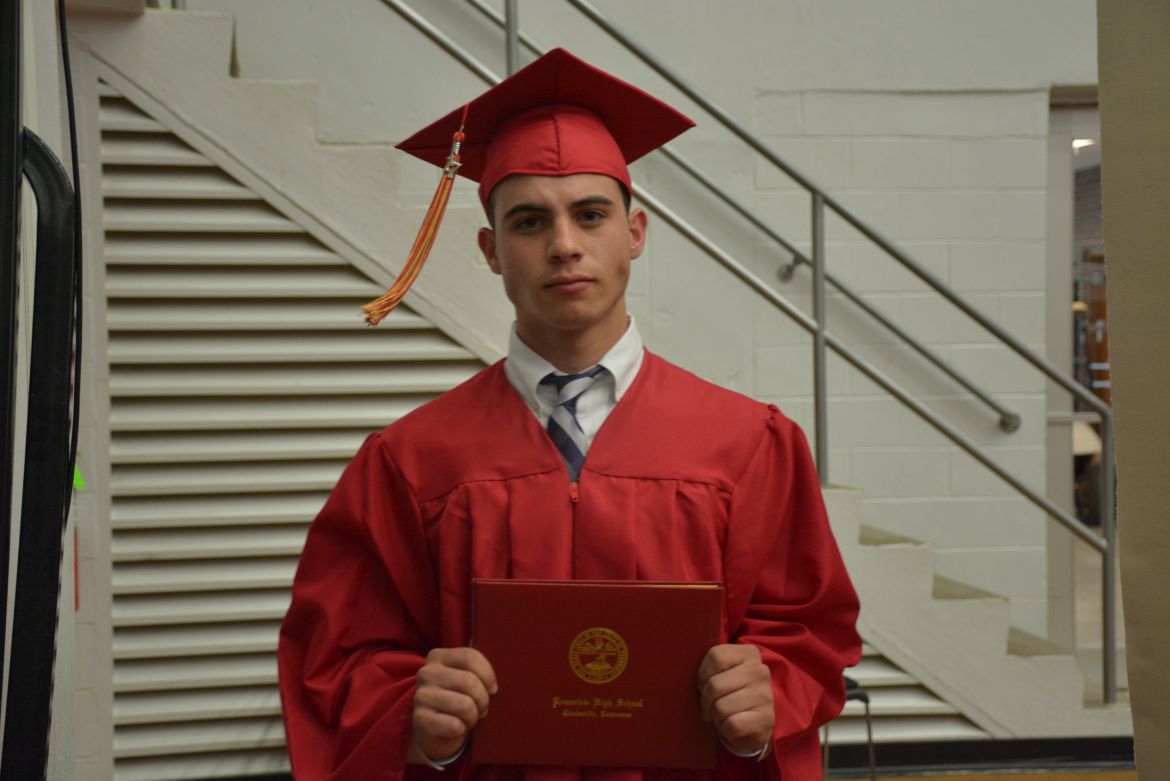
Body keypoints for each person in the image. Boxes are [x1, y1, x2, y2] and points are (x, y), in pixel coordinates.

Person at [278, 48, 861, 781]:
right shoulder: (410, 460)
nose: (563, 245)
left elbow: (809, 629)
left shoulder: (749, 445)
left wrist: (765, 696)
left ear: (635, 232)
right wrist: (415, 719)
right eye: (529, 222)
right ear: (491, 250)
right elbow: (336, 653)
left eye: (590, 214)